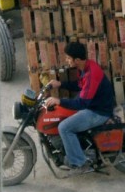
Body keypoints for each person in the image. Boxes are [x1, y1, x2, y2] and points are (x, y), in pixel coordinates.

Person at [45, 42, 115, 172]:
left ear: (76, 60)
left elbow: (82, 103)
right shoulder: (86, 67)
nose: (66, 60)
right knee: (64, 111)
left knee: (64, 127)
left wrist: (58, 101)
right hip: (93, 105)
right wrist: (60, 84)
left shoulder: (91, 74)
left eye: (68, 58)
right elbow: (79, 85)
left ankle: (79, 163)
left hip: (98, 111)